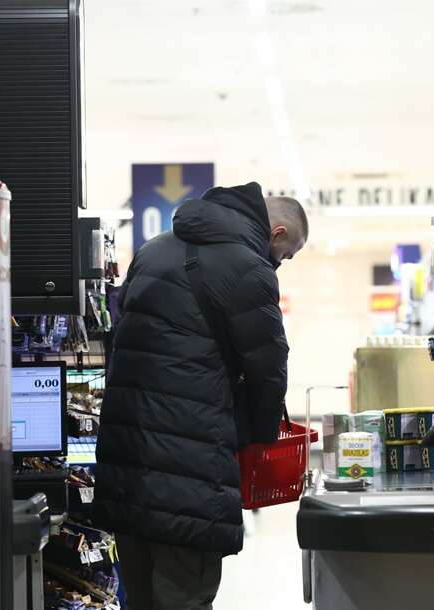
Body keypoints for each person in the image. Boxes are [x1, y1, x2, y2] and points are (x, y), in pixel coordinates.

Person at [93, 182, 308, 610]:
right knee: (185, 595)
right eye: (286, 256)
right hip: (189, 470)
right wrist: (259, 436)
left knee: (138, 597)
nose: (280, 263)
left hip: (127, 462)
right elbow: (268, 368)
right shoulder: (249, 269)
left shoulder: (153, 250)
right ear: (277, 233)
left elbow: (119, 342)